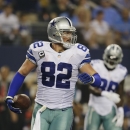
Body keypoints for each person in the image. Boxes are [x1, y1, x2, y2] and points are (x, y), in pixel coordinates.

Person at [6, 16, 103, 130]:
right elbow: (21, 73)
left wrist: (92, 80)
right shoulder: (39, 50)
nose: (69, 36)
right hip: (41, 108)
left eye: (70, 33)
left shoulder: (78, 52)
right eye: (66, 33)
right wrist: (10, 95)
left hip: (63, 111)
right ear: (54, 33)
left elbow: (98, 80)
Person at [84, 44, 128, 130]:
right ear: (105, 55)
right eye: (110, 57)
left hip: (110, 107)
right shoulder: (96, 65)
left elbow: (120, 94)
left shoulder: (121, 71)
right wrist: (105, 94)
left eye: (114, 58)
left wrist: (120, 109)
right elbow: (90, 87)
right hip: (94, 106)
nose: (111, 60)